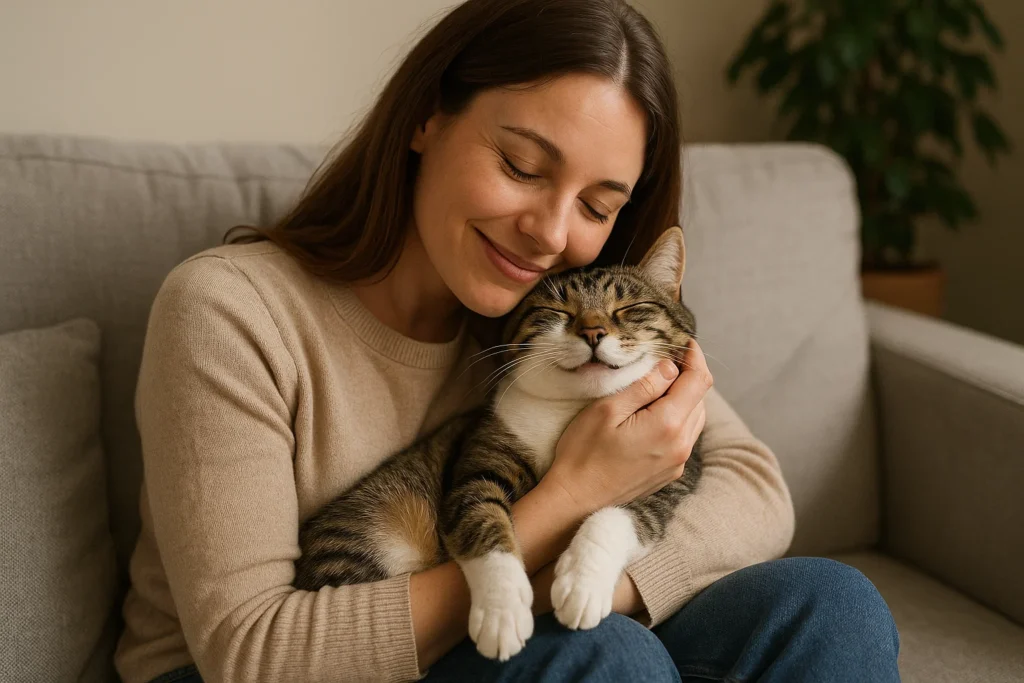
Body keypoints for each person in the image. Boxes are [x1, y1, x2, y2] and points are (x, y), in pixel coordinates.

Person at [115, 1, 900, 681]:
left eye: (596, 206)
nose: (551, 234)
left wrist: (589, 585)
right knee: (602, 658)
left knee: (832, 607)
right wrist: (566, 502)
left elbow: (756, 488)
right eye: (523, 165)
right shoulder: (229, 308)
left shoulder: (559, 317)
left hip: (510, 628)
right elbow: (252, 656)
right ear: (428, 116)